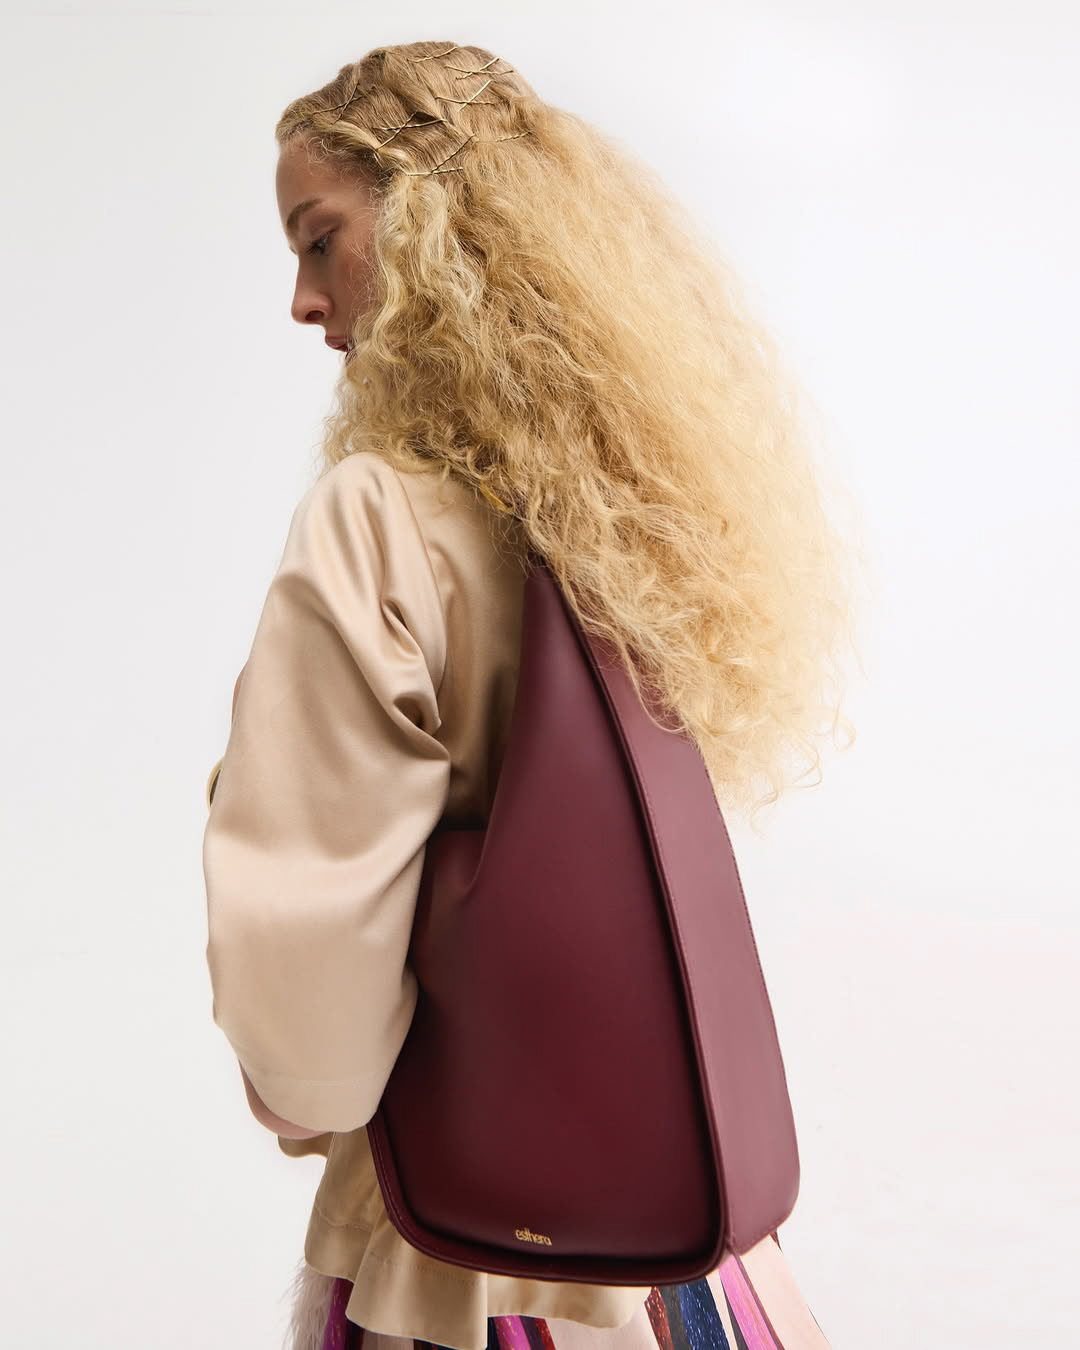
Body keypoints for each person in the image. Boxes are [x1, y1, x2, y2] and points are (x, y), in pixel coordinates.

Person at [202, 38, 861, 1350]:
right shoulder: (634, 513)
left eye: (321, 238)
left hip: (470, 1256)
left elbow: (310, 939)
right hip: (691, 1247)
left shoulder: (378, 518)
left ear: (428, 224)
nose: (304, 298)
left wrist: (299, 1082)